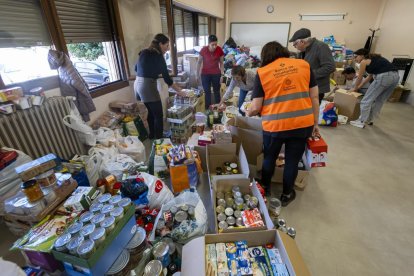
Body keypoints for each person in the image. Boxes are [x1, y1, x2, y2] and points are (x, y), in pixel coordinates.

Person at [246, 41, 320, 207]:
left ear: (265, 56)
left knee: (270, 157)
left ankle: (265, 186)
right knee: (292, 161)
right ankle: (287, 193)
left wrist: (248, 112)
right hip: (302, 124)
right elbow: (315, 97)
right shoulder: (304, 65)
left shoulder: (263, 72)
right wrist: (315, 122)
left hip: (275, 126)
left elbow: (256, 106)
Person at [134, 33, 184, 139]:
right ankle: (159, 139)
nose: (168, 48)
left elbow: (136, 69)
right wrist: (179, 91)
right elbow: (167, 78)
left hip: (137, 84)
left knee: (151, 113)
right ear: (160, 44)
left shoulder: (144, 52)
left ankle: (152, 135)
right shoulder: (158, 55)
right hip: (147, 86)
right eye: (166, 46)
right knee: (158, 115)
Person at [350, 48, 399, 128]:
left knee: (366, 100)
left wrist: (355, 88)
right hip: (395, 77)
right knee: (380, 100)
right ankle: (370, 120)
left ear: (362, 55)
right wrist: (358, 87)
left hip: (384, 77)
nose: (355, 59)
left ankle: (361, 121)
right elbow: (368, 77)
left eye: (356, 57)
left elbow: (359, 77)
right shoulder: (374, 59)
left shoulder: (364, 61)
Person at [289, 28, 335, 103]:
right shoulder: (303, 50)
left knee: (312, 112)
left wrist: (309, 74)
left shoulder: (321, 47)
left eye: (295, 44)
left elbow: (330, 67)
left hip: (317, 88)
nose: (294, 47)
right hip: (305, 86)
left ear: (302, 41)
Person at [197, 35, 225, 109]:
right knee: (207, 92)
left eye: (216, 44)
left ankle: (218, 108)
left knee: (216, 91)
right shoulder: (203, 50)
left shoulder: (219, 50)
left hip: (216, 74)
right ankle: (208, 109)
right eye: (212, 45)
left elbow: (221, 63)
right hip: (205, 74)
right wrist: (197, 74)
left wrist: (222, 75)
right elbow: (199, 62)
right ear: (208, 44)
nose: (214, 46)